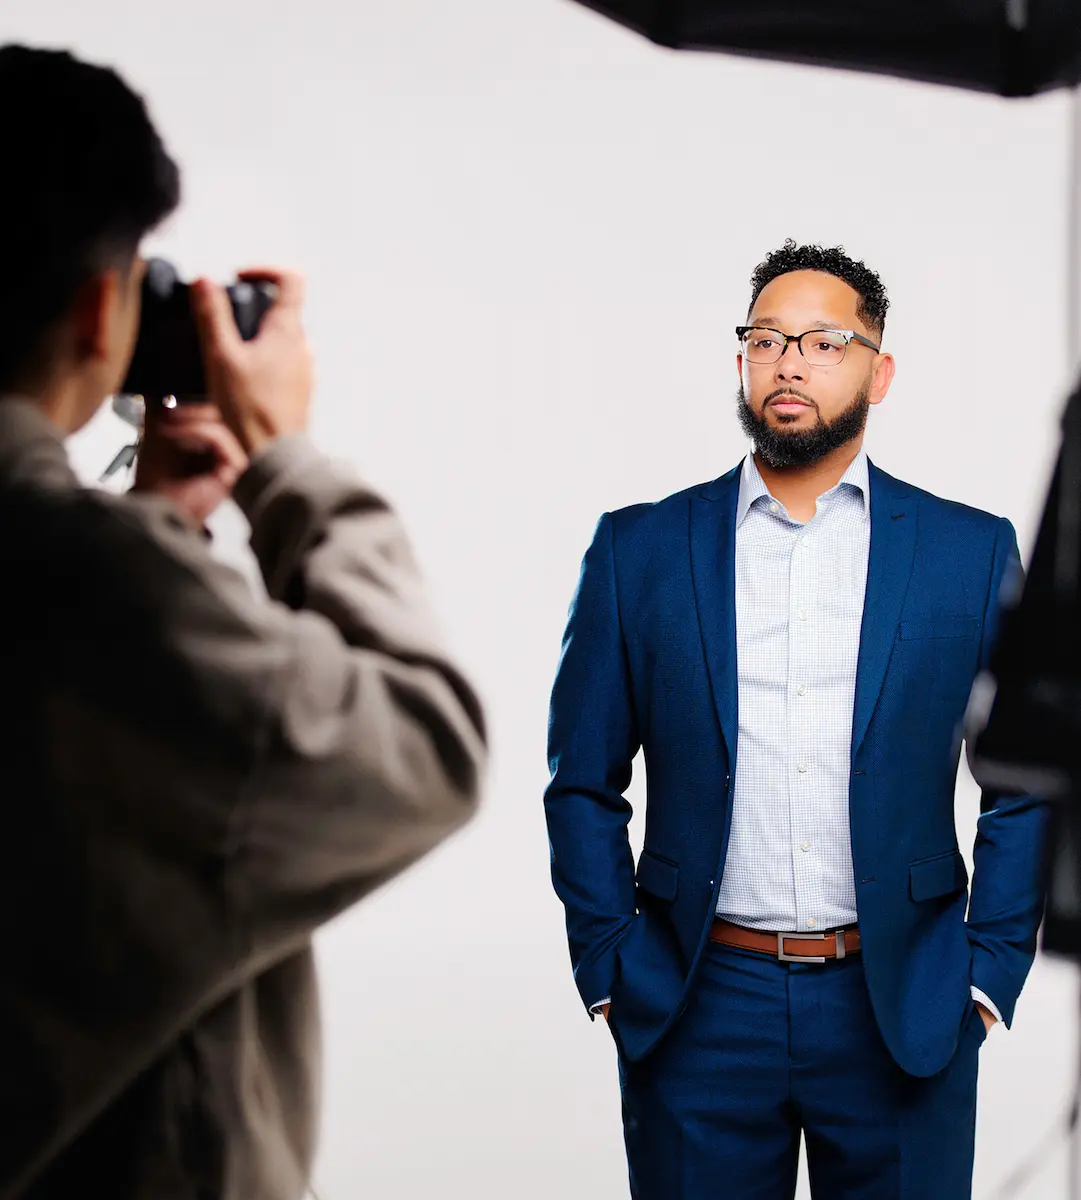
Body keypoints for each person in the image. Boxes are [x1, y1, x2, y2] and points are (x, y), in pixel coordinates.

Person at [0, 44, 486, 1200]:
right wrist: (286, 464)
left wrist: (148, 530)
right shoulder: (96, 588)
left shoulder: (87, 574)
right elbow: (423, 744)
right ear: (101, 308)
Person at [544, 239, 1047, 1198]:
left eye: (823, 343)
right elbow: (580, 780)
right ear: (740, 360)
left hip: (903, 1003)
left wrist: (985, 975)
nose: (789, 364)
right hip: (696, 1001)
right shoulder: (638, 550)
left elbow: (1021, 782)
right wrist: (610, 965)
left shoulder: (969, 553)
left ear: (878, 373)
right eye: (766, 340)